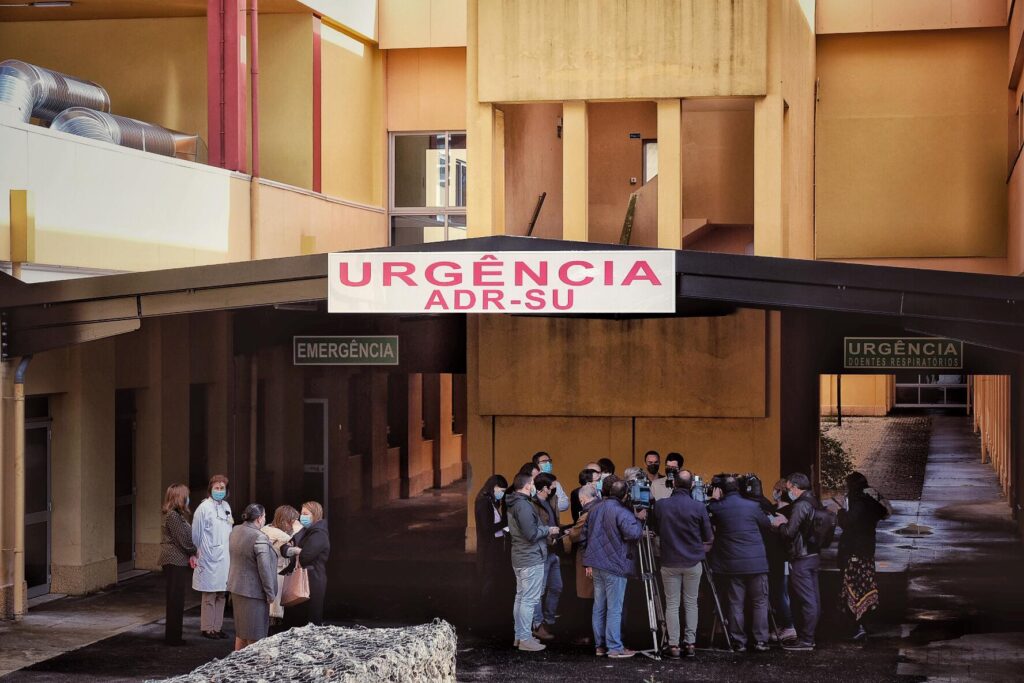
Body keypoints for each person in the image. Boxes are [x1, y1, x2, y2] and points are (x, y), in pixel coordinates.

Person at [581, 478, 646, 659]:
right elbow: (633, 534)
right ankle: (615, 647)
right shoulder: (623, 512)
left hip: (596, 564)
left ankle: (600, 646)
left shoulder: (594, 509)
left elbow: (584, 536)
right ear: (625, 495)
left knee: (599, 606)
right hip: (615, 565)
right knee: (614, 608)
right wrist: (638, 519)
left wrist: (587, 561)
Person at [651, 470, 713, 659]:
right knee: (691, 603)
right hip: (693, 561)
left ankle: (674, 645)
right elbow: (708, 536)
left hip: (669, 561)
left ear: (673, 484)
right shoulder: (698, 507)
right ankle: (690, 643)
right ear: (692, 485)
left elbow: (654, 529)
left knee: (672, 604)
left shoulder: (661, 505)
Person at [708, 475, 771, 653]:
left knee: (736, 603)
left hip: (733, 564)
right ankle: (761, 641)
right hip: (757, 562)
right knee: (760, 602)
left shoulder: (717, 507)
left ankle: (739, 641)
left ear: (721, 490)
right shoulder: (752, 506)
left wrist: (713, 499)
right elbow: (766, 525)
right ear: (738, 488)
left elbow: (708, 518)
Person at [831, 471, 891, 642]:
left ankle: (856, 625)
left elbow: (848, 523)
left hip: (854, 552)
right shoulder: (871, 501)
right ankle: (863, 621)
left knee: (852, 588)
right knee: (865, 587)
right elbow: (885, 512)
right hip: (867, 551)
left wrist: (840, 511)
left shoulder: (857, 502)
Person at [507, 472, 560, 652]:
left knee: (521, 597)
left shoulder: (515, 503)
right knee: (528, 600)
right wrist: (548, 530)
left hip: (520, 556)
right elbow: (531, 534)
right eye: (532, 483)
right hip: (530, 557)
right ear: (527, 485)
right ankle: (525, 639)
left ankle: (520, 636)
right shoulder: (523, 505)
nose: (533, 487)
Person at [771, 472, 822, 651]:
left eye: (789, 488)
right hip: (813, 555)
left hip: (802, 557)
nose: (788, 492)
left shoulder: (801, 505)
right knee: (813, 599)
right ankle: (809, 637)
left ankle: (806, 640)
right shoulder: (814, 501)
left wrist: (780, 524)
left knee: (807, 600)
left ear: (794, 486)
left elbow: (789, 533)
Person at [227, 503, 278, 651]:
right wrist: (270, 594)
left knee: (241, 634)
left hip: (237, 588)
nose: (265, 519)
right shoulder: (259, 537)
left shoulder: (236, 530)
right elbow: (264, 569)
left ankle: (237, 662)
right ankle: (253, 665)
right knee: (256, 637)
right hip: (254, 593)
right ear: (259, 518)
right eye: (264, 516)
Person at [192, 474, 233, 640]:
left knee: (221, 594)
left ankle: (217, 627)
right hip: (208, 557)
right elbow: (196, 534)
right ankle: (207, 628)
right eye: (217, 488)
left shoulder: (226, 506)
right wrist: (197, 552)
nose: (219, 491)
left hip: (225, 558)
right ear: (210, 489)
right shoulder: (203, 508)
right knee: (209, 594)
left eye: (222, 488)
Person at [159, 483, 197, 646]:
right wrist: (194, 551)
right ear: (180, 497)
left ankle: (174, 635)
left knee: (177, 599)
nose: (188, 498)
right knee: (175, 599)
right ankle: (173, 637)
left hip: (177, 560)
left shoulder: (177, 515)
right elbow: (182, 540)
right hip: (174, 560)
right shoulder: (173, 516)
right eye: (186, 495)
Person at [565, 483, 599, 642]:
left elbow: (575, 536)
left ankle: (586, 633)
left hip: (587, 559)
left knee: (586, 596)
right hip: (601, 559)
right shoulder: (603, 507)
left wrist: (570, 532)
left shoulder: (586, 514)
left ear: (583, 499)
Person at [531, 472, 563, 641]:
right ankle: (538, 624)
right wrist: (550, 535)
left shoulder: (552, 500)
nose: (555, 488)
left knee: (556, 587)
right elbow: (534, 530)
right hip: (541, 552)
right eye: (552, 486)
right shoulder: (533, 505)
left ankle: (548, 620)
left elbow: (554, 521)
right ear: (545, 488)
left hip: (553, 551)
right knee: (539, 591)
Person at [288, 501, 331, 626]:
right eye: (302, 513)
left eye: (306, 514)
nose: (302, 517)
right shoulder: (306, 531)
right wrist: (296, 550)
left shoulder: (319, 533)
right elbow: (287, 546)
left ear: (315, 515)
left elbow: (305, 557)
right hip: (305, 577)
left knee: (311, 617)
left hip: (313, 579)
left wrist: (296, 551)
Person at [475, 475, 510, 613]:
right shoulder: (484, 502)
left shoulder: (491, 501)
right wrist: (505, 523)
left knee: (493, 576)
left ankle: (489, 606)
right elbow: (487, 528)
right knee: (489, 576)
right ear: (494, 487)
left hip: (495, 544)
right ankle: (486, 608)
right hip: (489, 547)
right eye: (501, 490)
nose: (502, 494)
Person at [261, 505, 299, 626]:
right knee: (275, 609)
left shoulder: (265, 529)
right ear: (284, 521)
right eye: (293, 521)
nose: (295, 524)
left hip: (264, 572)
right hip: (278, 573)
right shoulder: (283, 536)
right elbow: (292, 547)